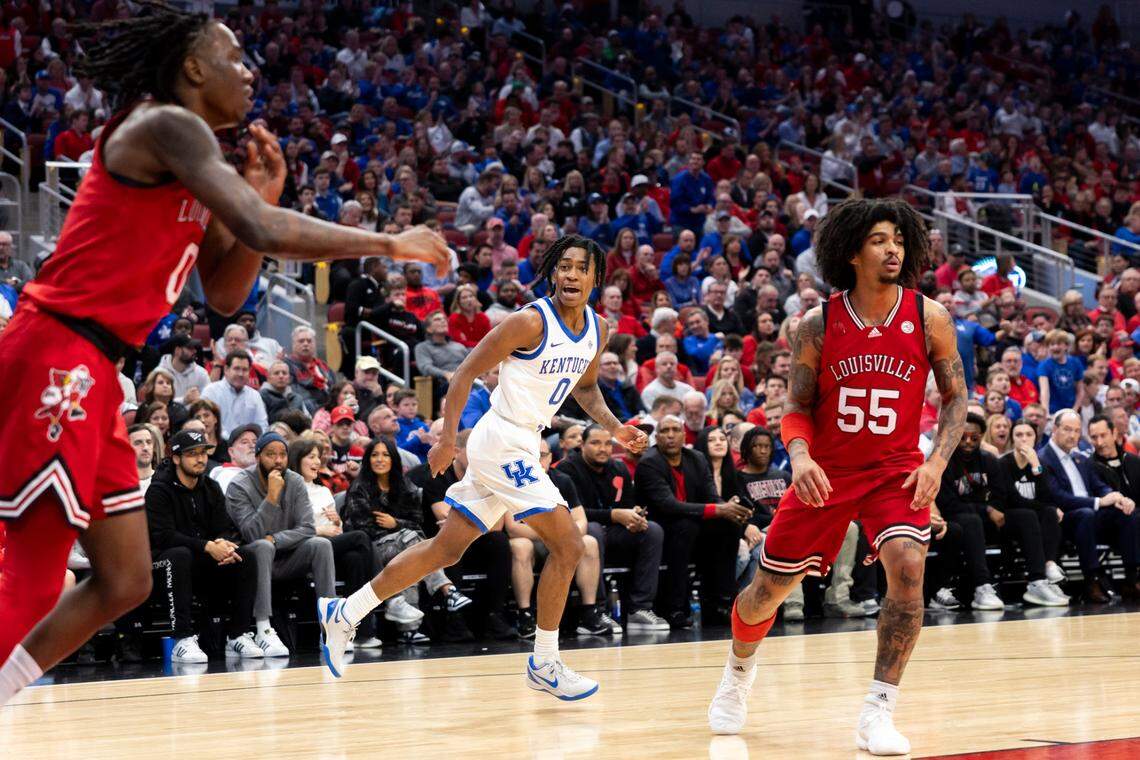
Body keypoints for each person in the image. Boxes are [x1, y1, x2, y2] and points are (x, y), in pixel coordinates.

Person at [0, 5, 449, 706]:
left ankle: (8, 685)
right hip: (59, 351)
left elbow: (226, 295)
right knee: (33, 567)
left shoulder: (197, 160)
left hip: (101, 365)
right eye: (234, 58)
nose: (248, 74)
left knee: (125, 579)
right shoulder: (165, 124)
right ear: (193, 67)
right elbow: (260, 225)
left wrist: (261, 200)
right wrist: (389, 243)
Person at [318, 234, 649, 701]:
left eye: (581, 268)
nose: (571, 274)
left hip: (525, 442)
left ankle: (345, 612)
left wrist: (616, 429)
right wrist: (449, 438)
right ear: (554, 272)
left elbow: (587, 388)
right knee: (571, 544)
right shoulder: (530, 321)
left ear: (596, 278)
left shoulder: (599, 328)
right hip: (500, 441)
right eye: (564, 266)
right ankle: (546, 662)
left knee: (446, 550)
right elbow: (465, 372)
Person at [708, 197, 967, 757]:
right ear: (852, 252)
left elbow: (955, 400)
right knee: (764, 594)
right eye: (879, 239)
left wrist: (936, 462)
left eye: (898, 238)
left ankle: (878, 712)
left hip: (895, 472)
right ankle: (738, 670)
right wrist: (799, 457)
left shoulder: (930, 316)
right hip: (824, 473)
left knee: (908, 570)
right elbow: (796, 406)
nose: (893, 247)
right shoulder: (817, 322)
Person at [146, 429, 262, 663]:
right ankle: (182, 639)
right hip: (160, 565)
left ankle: (237, 635)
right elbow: (163, 537)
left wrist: (224, 545)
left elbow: (222, 527)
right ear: (176, 458)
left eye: (203, 453)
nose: (200, 459)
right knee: (179, 556)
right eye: (192, 454)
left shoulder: (211, 487)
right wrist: (208, 546)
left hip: (199, 560)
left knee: (246, 555)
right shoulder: (158, 490)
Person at [340, 437, 473, 636]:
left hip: (402, 544)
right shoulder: (359, 488)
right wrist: (399, 529)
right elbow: (358, 528)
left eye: (385, 455)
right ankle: (447, 591)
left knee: (410, 552)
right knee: (412, 546)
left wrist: (396, 524)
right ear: (367, 459)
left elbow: (417, 520)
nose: (380, 459)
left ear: (393, 458)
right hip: (372, 549)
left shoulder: (404, 485)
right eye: (375, 455)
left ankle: (410, 629)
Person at [558, 425, 669, 632]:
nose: (603, 449)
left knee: (652, 530)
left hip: (614, 531)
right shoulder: (567, 470)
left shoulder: (618, 469)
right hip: (583, 533)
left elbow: (626, 505)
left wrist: (634, 516)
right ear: (582, 445)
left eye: (608, 443)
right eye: (596, 443)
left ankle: (639, 609)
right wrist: (614, 515)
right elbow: (573, 515)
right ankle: (597, 610)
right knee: (592, 530)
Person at [1040, 410, 1135, 603]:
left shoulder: (1082, 458)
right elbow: (1058, 497)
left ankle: (1132, 578)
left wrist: (1117, 497)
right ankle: (1092, 580)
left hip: (1090, 516)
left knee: (1129, 513)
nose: (1073, 435)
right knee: (1086, 514)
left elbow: (1099, 486)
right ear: (1055, 429)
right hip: (1063, 520)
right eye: (1067, 429)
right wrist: (1099, 502)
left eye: (1076, 431)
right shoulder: (1043, 458)